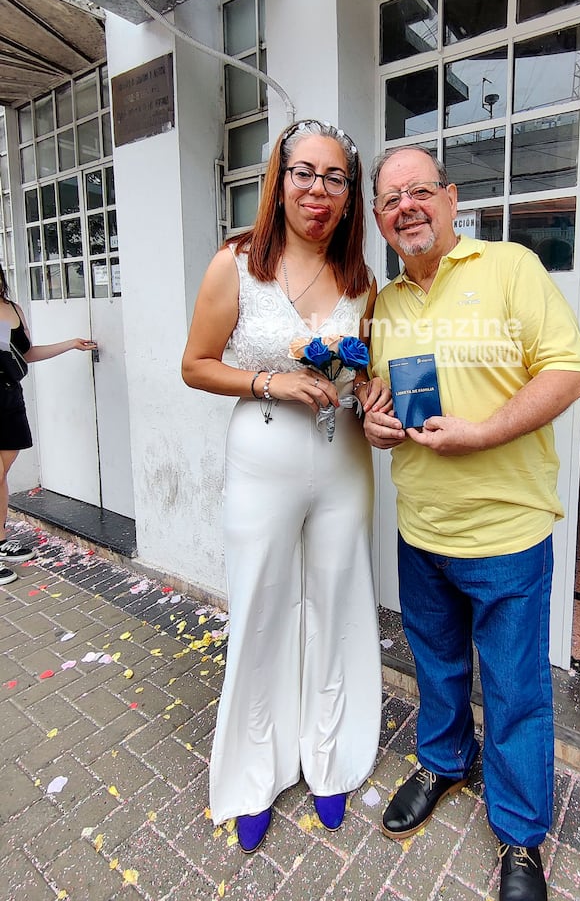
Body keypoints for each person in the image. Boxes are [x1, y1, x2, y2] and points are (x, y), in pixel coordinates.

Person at [363, 146, 580, 901]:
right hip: (421, 526)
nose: (407, 207)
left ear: (451, 198)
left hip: (506, 532)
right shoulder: (385, 302)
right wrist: (373, 426)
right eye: (391, 198)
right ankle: (441, 759)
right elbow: (377, 398)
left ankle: (521, 837)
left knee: (515, 687)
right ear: (378, 218)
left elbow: (569, 369)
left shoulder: (510, 267)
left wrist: (484, 432)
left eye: (419, 191)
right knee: (435, 665)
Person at [181, 119, 387, 853]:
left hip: (343, 463)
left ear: (348, 193)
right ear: (279, 177)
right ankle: (252, 774)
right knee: (263, 607)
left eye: (335, 178)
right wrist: (272, 377)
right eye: (304, 172)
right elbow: (196, 364)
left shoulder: (362, 282)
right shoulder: (235, 264)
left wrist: (376, 398)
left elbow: (370, 379)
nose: (318, 191)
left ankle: (330, 757)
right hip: (262, 459)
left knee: (336, 603)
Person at [0, 263, 97, 586]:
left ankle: (0, 539)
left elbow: (25, 355)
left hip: (10, 398)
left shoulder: (12, 308)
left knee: (2, 475)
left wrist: (69, 344)